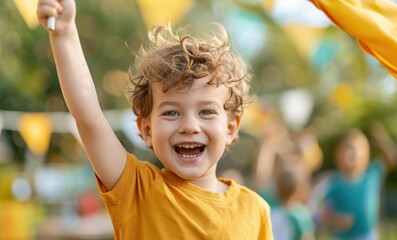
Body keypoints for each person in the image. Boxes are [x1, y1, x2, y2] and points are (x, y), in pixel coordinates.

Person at [36, 0, 273, 239]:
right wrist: (65, 33)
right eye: (171, 112)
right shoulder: (137, 189)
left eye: (206, 112)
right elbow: (89, 120)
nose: (190, 126)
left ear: (231, 128)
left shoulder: (255, 210)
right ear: (147, 129)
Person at [311, 123, 396, 239]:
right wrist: (334, 220)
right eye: (346, 148)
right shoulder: (335, 183)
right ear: (338, 155)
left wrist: (382, 139)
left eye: (355, 148)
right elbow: (318, 211)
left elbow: (392, 158)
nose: (351, 152)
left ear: (365, 153)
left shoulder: (372, 174)